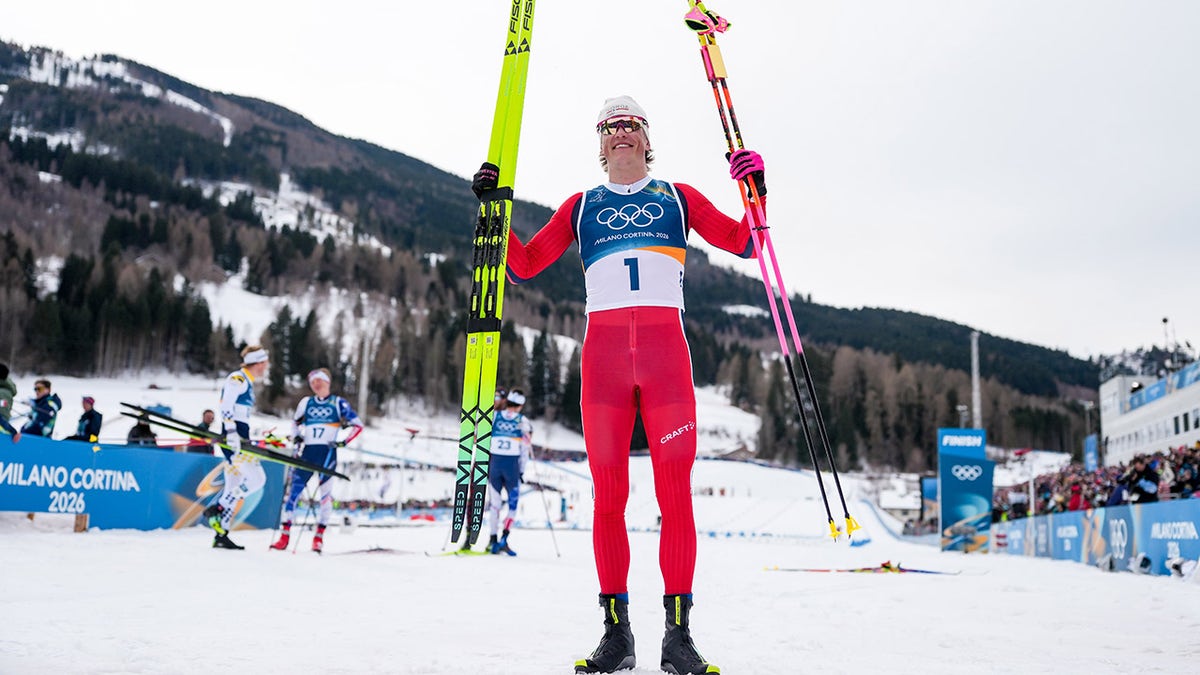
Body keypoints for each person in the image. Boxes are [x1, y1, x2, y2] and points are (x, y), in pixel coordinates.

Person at [471, 95, 763, 675]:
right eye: (610, 128)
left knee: (674, 493)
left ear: (647, 140)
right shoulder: (581, 206)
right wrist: (493, 212)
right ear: (600, 145)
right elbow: (526, 264)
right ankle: (616, 635)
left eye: (631, 126)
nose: (621, 134)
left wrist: (756, 189)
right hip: (603, 363)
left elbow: (745, 241)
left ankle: (678, 639)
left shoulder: (678, 197)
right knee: (609, 497)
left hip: (666, 361)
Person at [270, 368, 363, 554]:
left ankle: (318, 538)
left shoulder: (338, 403)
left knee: (325, 497)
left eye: (318, 380)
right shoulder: (306, 403)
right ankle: (284, 536)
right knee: (292, 495)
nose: (315, 384)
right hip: (307, 453)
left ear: (327, 382)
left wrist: (343, 442)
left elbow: (358, 425)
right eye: (312, 382)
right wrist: (296, 438)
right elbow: (295, 423)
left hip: (327, 454)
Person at [203, 345, 271, 550]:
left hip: (239, 438)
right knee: (258, 480)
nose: (266, 367)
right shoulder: (238, 379)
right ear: (258, 363)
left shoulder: (247, 382)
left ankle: (221, 534)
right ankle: (219, 507)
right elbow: (226, 406)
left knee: (234, 484)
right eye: (265, 363)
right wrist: (232, 432)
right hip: (235, 441)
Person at [486, 388, 533, 556]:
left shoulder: (495, 416)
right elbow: (525, 450)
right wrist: (521, 471)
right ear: (520, 406)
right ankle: (504, 539)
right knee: (512, 505)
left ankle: (492, 540)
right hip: (511, 467)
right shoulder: (522, 421)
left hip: (495, 466)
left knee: (494, 505)